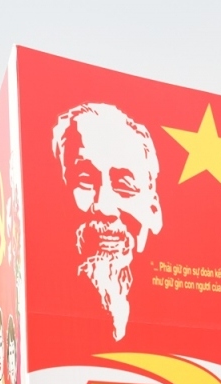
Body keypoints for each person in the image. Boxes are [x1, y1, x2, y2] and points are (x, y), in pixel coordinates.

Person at [51, 103, 164, 341]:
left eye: (124, 184)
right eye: (85, 179)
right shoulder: (46, 306)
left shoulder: (172, 308)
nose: (103, 205)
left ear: (153, 207)